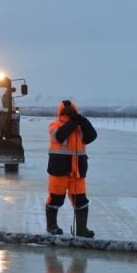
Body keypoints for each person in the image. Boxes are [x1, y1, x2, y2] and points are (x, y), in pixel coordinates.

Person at [46, 100, 97, 237]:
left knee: (80, 200)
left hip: (77, 172)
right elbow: (59, 135)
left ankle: (81, 229)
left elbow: (92, 136)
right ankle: (52, 226)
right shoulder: (54, 126)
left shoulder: (80, 127)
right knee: (55, 199)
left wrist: (81, 119)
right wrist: (72, 122)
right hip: (59, 171)